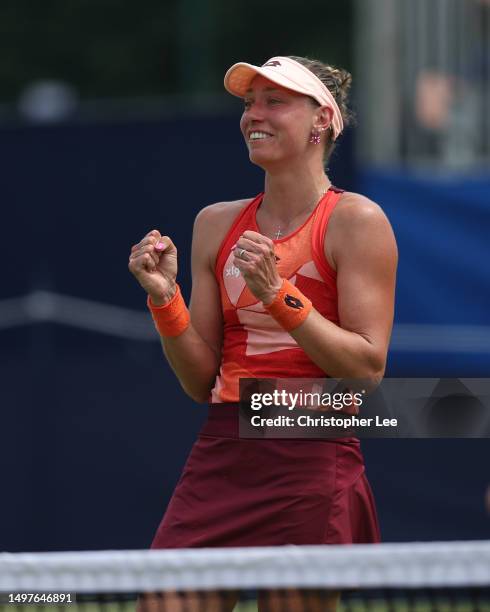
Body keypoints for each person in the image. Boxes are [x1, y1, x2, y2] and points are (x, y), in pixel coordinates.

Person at [128, 55, 398, 612]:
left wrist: (278, 296)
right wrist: (165, 299)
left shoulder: (357, 221)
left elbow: (367, 371)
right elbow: (199, 381)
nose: (255, 114)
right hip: (224, 450)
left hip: (313, 454)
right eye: (251, 102)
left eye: (276, 101)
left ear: (322, 119)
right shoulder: (215, 223)